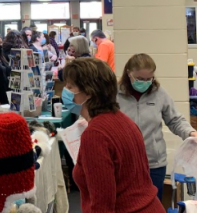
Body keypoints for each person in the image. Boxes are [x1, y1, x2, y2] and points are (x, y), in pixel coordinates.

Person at [62, 57, 165, 213]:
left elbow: (102, 205)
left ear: (89, 92)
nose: (66, 91)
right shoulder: (124, 121)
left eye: (70, 87)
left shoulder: (95, 134)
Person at [117, 53, 197, 201]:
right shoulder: (114, 95)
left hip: (154, 163)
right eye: (140, 79)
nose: (145, 82)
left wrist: (190, 133)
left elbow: (175, 119)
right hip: (123, 163)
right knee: (125, 204)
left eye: (149, 79)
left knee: (153, 204)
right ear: (129, 73)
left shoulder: (159, 93)